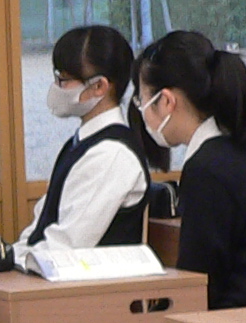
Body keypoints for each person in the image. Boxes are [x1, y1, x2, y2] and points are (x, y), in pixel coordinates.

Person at [135, 31, 246, 311]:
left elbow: (199, 279)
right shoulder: (238, 149)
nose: (141, 109)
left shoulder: (207, 168)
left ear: (166, 101)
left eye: (141, 99)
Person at [14, 25, 153, 269]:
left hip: (89, 286)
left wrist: (15, 260)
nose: (56, 87)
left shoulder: (112, 155)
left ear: (99, 87)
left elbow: (67, 245)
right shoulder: (80, 143)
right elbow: (42, 223)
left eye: (63, 80)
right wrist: (12, 255)